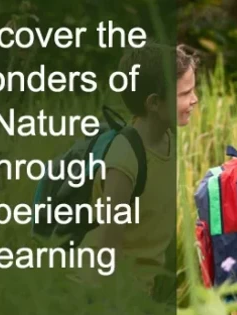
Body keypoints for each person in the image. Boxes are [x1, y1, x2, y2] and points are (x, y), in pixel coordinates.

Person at [81, 43, 200, 296]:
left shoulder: (168, 139)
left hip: (143, 291)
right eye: (184, 93)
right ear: (154, 103)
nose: (194, 99)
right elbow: (105, 249)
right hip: (112, 296)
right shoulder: (125, 161)